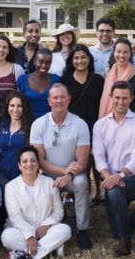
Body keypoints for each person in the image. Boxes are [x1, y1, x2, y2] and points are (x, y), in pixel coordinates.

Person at [30, 83, 93, 249]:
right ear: (49, 100)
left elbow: (82, 161)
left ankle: (82, 229)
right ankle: (49, 225)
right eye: (55, 97)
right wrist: (62, 170)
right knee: (42, 183)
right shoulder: (39, 124)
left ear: (69, 99)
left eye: (62, 97)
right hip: (47, 174)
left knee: (81, 182)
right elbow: (39, 160)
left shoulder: (80, 124)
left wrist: (68, 175)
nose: (59, 101)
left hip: (73, 175)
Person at [93, 81, 135, 256]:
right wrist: (110, 177)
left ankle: (125, 240)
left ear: (131, 98)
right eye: (117, 97)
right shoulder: (100, 125)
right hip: (109, 177)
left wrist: (119, 176)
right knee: (113, 193)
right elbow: (99, 157)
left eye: (125, 98)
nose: (120, 102)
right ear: (111, 98)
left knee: (113, 191)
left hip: (133, 177)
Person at [2, 145, 72, 259]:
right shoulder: (11, 187)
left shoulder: (50, 183)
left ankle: (23, 255)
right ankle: (50, 250)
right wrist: (29, 236)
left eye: (33, 160)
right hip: (22, 233)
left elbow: (58, 211)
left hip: (45, 231)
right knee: (7, 236)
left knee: (65, 230)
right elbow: (15, 217)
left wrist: (46, 225)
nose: (29, 164)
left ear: (38, 164)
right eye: (25, 161)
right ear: (19, 165)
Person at [63, 43, 105, 133]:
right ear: (72, 60)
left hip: (93, 128)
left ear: (89, 59)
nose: (80, 61)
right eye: (76, 58)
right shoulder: (64, 80)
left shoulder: (99, 80)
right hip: (70, 128)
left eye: (83, 57)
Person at [0, 92, 33, 187]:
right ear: (7, 107)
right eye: (12, 105)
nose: (15, 110)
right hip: (2, 176)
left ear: (24, 108)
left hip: (22, 177)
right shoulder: (2, 125)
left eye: (19, 106)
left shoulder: (30, 127)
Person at [99, 39, 135, 117]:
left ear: (130, 54)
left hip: (131, 121)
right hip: (109, 120)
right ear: (114, 53)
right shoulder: (107, 72)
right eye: (118, 51)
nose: (121, 55)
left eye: (125, 52)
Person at [16, 48, 59, 118]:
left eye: (48, 62)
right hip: (27, 122)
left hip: (50, 123)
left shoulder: (56, 80)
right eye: (41, 61)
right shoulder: (23, 80)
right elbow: (17, 103)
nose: (44, 65)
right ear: (34, 61)